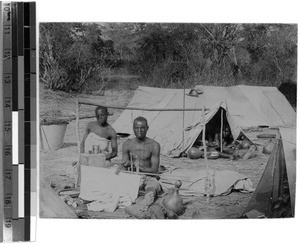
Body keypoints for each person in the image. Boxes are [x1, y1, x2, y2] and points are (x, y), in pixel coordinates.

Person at [115, 116, 162, 207]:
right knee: (117, 185)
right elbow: (124, 166)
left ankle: (148, 197)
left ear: (147, 128)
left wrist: (136, 166)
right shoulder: (127, 144)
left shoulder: (154, 145)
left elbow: (154, 171)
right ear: (133, 129)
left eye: (142, 128)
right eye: (136, 128)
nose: (139, 130)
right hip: (132, 177)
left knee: (153, 186)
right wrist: (122, 168)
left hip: (148, 176)